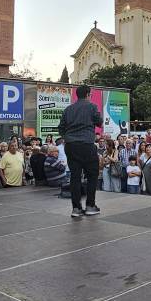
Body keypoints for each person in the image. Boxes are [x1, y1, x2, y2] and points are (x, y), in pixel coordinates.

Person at [58, 85, 103, 217]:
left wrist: (68, 137)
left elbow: (61, 128)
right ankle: (90, 205)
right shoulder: (92, 107)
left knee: (75, 177)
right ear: (88, 94)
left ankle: (76, 209)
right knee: (92, 175)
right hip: (87, 144)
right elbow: (99, 122)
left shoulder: (68, 109)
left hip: (71, 145)